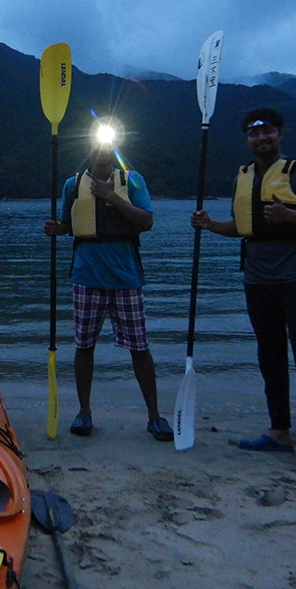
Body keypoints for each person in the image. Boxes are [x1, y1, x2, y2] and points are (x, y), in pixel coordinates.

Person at [190, 107, 296, 475]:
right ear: (247, 139)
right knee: (270, 357)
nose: (261, 138)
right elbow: (244, 227)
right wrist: (211, 225)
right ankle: (280, 433)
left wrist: (292, 215)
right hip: (257, 280)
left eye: (268, 132)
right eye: (254, 133)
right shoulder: (243, 176)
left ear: (280, 134)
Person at [44, 139, 174, 441]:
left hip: (126, 277)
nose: (102, 155)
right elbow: (68, 224)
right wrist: (56, 228)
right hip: (87, 275)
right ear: (89, 152)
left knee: (140, 347)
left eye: (107, 149)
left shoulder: (132, 180)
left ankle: (154, 415)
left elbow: (147, 221)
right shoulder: (72, 185)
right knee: (84, 345)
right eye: (96, 149)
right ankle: (84, 412)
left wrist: (111, 197)